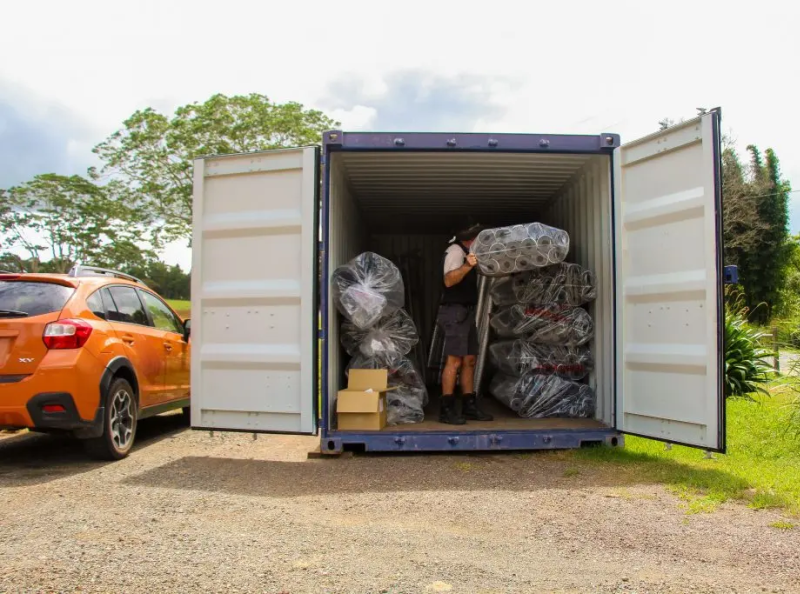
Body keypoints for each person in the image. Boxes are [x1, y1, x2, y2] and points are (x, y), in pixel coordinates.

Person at [436, 223, 493, 425]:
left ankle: (469, 406)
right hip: (454, 312)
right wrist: (468, 266)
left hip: (466, 312)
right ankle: (447, 408)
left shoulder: (469, 253)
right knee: (455, 361)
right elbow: (449, 280)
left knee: (469, 360)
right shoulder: (455, 251)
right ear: (471, 239)